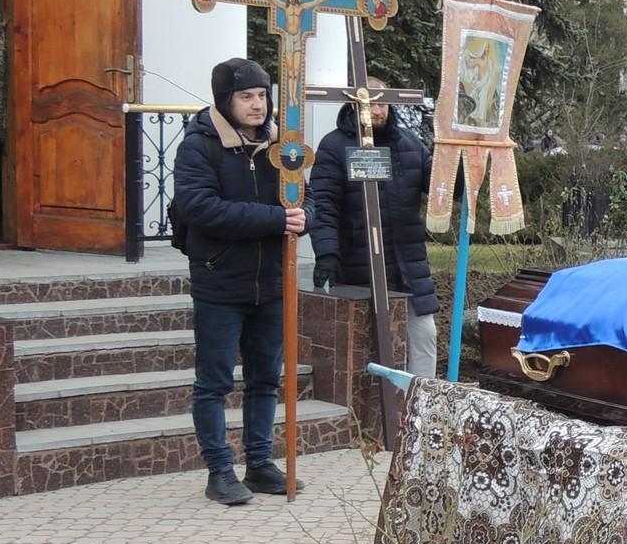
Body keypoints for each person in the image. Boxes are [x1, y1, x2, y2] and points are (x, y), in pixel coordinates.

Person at [172, 58, 304, 507]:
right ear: (225, 100)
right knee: (214, 382)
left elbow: (301, 198)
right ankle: (220, 470)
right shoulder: (199, 146)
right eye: (246, 96)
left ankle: (260, 463)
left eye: (262, 95)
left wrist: (302, 218)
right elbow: (199, 208)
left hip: (272, 282)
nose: (257, 105)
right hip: (220, 280)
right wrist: (276, 219)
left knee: (265, 379)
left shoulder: (281, 147)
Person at [308, 86, 443, 381]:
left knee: (424, 336)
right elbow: (324, 205)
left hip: (408, 266)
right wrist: (327, 252)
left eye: (382, 104)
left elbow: (439, 189)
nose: (376, 111)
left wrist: (457, 165)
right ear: (353, 105)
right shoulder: (334, 146)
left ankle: (421, 403)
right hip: (361, 263)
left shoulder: (409, 143)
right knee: (368, 343)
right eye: (368, 104)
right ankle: (374, 406)